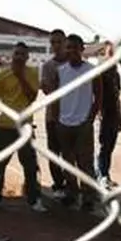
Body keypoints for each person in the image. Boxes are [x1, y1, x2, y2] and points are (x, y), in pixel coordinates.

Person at [0, 42, 46, 214]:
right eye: (16, 54)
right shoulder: (2, 75)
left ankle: (34, 199)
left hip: (25, 126)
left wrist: (20, 76)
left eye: (22, 55)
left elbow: (32, 97)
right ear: (12, 55)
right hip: (5, 126)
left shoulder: (32, 73)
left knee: (30, 165)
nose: (19, 57)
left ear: (27, 57)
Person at [47, 33, 102, 213]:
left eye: (74, 47)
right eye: (68, 47)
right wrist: (56, 119)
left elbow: (99, 97)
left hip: (83, 124)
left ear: (82, 49)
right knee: (68, 161)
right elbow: (54, 98)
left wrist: (90, 118)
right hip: (64, 123)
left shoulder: (91, 70)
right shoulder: (60, 71)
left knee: (85, 163)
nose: (71, 51)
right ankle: (72, 193)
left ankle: (88, 197)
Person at [40, 29, 69, 197]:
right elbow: (47, 90)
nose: (56, 46)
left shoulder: (73, 64)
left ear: (65, 42)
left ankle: (71, 183)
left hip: (71, 116)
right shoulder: (48, 66)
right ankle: (58, 184)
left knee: (70, 153)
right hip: (53, 116)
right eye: (53, 42)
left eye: (59, 42)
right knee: (54, 152)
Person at [96, 41, 121, 189]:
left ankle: (103, 173)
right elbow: (96, 92)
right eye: (112, 50)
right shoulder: (102, 69)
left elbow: (117, 96)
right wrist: (99, 110)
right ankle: (102, 175)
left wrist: (119, 117)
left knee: (109, 146)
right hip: (104, 113)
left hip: (113, 113)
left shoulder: (116, 72)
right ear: (106, 51)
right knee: (103, 145)